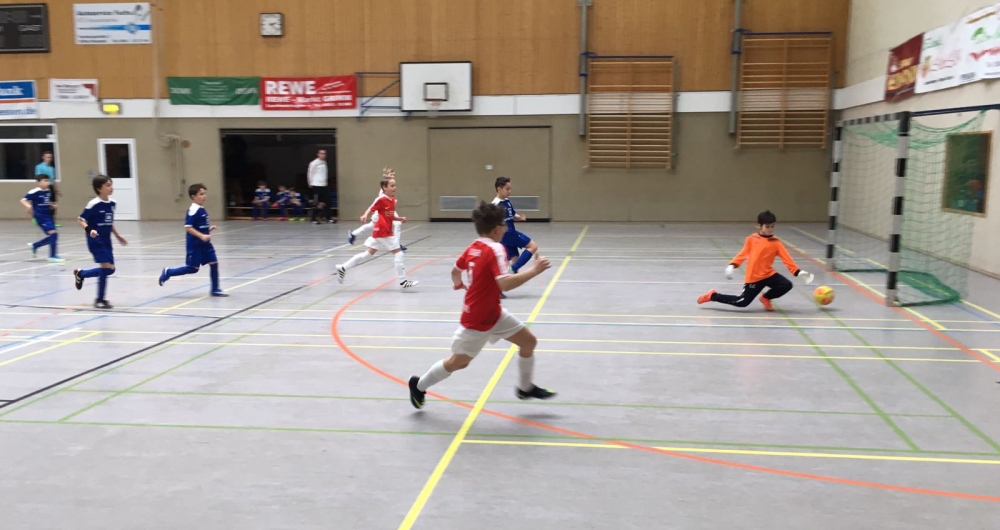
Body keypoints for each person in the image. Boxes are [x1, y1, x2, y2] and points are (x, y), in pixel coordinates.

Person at [408, 201, 556, 409]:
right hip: (477, 320)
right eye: (503, 225)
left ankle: (525, 388)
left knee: (528, 342)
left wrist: (458, 285)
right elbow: (505, 284)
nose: (505, 229)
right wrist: (534, 271)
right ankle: (418, 385)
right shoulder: (496, 248)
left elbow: (455, 271)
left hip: (494, 313)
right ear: (496, 229)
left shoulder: (473, 246)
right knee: (458, 362)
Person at [697, 210, 814, 311]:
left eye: (772, 226)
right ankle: (713, 296)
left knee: (786, 285)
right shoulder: (751, 239)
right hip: (754, 278)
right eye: (767, 226)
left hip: (768, 274)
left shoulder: (776, 242)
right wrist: (733, 265)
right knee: (742, 302)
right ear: (759, 226)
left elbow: (787, 259)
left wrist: (798, 272)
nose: (770, 229)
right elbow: (743, 254)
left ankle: (766, 297)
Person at [335, 176, 417, 289]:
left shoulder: (392, 199)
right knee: (399, 254)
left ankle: (343, 268)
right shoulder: (381, 199)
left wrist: (399, 218)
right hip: (383, 231)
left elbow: (389, 215)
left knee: (367, 255)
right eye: (392, 186)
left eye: (395, 185)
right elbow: (371, 208)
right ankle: (403, 281)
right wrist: (365, 215)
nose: (395, 188)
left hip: (380, 232)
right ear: (384, 187)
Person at [157, 184, 228, 297]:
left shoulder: (201, 209)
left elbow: (198, 226)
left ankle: (215, 289)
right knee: (193, 268)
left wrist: (208, 230)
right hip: (195, 245)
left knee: (214, 263)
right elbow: (188, 227)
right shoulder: (193, 210)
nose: (204, 196)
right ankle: (168, 272)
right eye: (201, 194)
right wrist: (201, 236)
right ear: (193, 196)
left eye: (204, 194)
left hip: (205, 244)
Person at [74, 175, 128, 309]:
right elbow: (80, 220)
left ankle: (81, 274)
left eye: (111, 185)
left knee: (110, 270)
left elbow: (109, 222)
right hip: (96, 240)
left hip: (107, 240)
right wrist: (90, 230)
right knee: (105, 268)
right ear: (99, 189)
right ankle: (100, 299)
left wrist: (118, 235)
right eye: (108, 185)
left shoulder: (112, 204)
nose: (111, 188)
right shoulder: (93, 204)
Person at [348, 167, 406, 250]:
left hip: (389, 210)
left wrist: (393, 202)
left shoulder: (391, 185)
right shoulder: (384, 188)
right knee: (372, 225)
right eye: (391, 174)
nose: (393, 176)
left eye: (394, 175)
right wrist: (365, 214)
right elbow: (378, 203)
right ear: (386, 175)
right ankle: (353, 233)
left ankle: (396, 244)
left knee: (397, 224)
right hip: (381, 211)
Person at [491, 176, 538, 273]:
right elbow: (489, 221)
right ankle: (511, 269)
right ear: (499, 189)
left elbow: (512, 215)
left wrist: (519, 218)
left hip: (510, 233)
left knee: (515, 260)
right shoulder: (495, 205)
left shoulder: (507, 201)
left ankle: (508, 275)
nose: (510, 191)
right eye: (507, 189)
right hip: (508, 234)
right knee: (533, 246)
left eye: (510, 189)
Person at [20, 174, 64, 263]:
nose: (47, 183)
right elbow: (23, 200)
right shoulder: (35, 191)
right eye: (45, 181)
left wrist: (52, 205)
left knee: (53, 236)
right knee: (53, 234)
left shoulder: (47, 191)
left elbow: (46, 201)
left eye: (48, 181)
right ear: (38, 183)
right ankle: (52, 256)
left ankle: (35, 245)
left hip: (48, 216)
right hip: (40, 217)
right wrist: (29, 206)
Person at [308, 149, 334, 224]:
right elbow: (310, 173)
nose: (323, 155)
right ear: (318, 154)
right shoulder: (314, 163)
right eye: (321, 153)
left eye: (324, 153)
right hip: (316, 185)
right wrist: (310, 183)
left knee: (327, 201)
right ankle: (313, 218)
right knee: (316, 202)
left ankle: (328, 218)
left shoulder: (324, 162)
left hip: (324, 185)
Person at [35, 151, 59, 227]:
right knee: (44, 204)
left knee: (53, 204)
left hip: (51, 186)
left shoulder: (51, 168)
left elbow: (52, 180)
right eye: (47, 157)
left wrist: (56, 189)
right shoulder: (39, 167)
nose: (49, 159)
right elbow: (39, 178)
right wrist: (41, 188)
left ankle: (52, 221)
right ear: (43, 157)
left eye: (50, 157)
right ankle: (38, 218)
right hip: (44, 187)